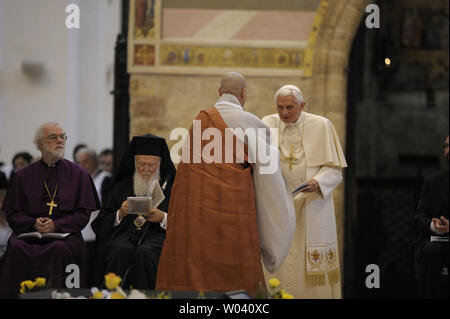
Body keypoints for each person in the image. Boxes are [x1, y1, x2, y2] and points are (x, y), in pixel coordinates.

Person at [155, 72, 295, 297]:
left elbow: (185, 174)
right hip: (234, 212)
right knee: (233, 272)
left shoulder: (199, 120)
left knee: (198, 268)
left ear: (220, 92)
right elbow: (269, 177)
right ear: (243, 94)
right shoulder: (250, 122)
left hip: (197, 211)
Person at [261, 84, 347, 298]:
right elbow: (257, 168)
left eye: (290, 107)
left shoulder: (321, 125)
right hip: (278, 208)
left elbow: (335, 171)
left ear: (302, 105)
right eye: (280, 107)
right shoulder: (266, 125)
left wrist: (318, 182)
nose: (284, 113)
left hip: (310, 206)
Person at [0, 122, 100, 298]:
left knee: (61, 249)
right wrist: (33, 223)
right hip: (28, 235)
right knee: (16, 246)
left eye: (63, 137)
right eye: (53, 137)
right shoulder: (23, 176)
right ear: (40, 144)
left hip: (65, 235)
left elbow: (83, 214)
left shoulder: (79, 175)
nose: (60, 140)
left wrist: (57, 224)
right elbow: (12, 213)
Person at [92, 134, 176, 290]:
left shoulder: (173, 187)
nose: (145, 169)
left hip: (156, 237)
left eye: (151, 165)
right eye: (140, 164)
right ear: (134, 162)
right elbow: (101, 221)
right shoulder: (121, 184)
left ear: (159, 163)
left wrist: (163, 218)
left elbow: (185, 223)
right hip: (125, 235)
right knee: (119, 249)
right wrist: (120, 214)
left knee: (145, 253)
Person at [414, 135, 449, 298]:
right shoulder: (433, 182)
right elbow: (420, 218)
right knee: (431, 251)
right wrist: (434, 226)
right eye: (446, 146)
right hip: (438, 241)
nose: (448, 151)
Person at [74, 147, 112, 287]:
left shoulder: (106, 179)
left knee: (92, 277)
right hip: (80, 236)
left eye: (85, 161)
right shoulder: (79, 181)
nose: (82, 165)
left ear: (95, 161)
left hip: (95, 237)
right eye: (79, 162)